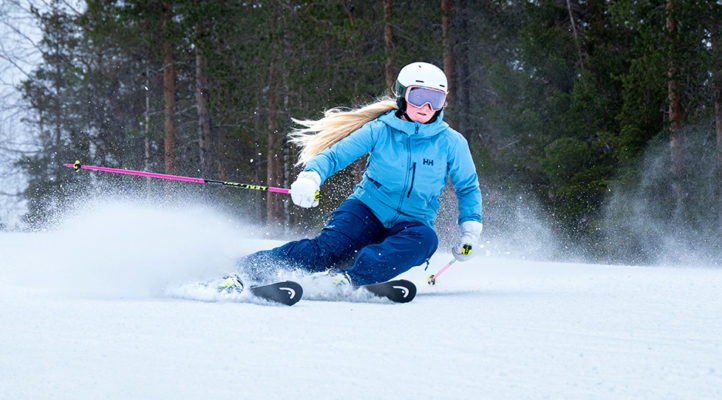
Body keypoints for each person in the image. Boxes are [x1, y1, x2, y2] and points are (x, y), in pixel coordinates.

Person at [237, 62, 483, 286]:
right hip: (366, 210)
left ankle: (348, 279)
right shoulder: (379, 130)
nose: (426, 107)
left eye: (435, 100)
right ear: (402, 96)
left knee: (426, 240)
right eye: (419, 97)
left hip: (413, 223)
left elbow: (468, 187)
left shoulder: (452, 143)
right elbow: (334, 156)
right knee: (327, 250)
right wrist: (310, 177)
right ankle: (250, 268)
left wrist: (470, 232)